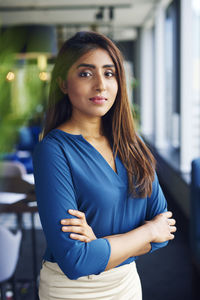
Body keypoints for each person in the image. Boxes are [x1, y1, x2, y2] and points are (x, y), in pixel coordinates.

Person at [33, 31, 176, 300]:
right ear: (63, 83)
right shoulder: (53, 150)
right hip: (74, 291)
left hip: (128, 285)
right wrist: (147, 231)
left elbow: (165, 233)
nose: (100, 85)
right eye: (86, 74)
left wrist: (99, 246)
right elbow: (76, 262)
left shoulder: (133, 143)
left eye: (109, 73)